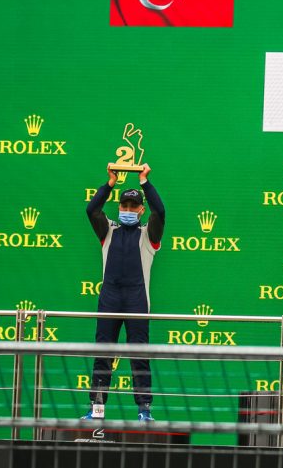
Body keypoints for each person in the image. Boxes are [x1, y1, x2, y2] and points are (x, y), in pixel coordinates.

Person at [81, 163, 165, 421]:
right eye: (124, 206)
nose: (128, 210)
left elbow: (160, 211)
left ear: (141, 210)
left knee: (139, 356)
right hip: (109, 298)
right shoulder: (108, 231)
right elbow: (91, 209)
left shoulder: (148, 235)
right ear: (118, 207)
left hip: (137, 301)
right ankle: (96, 410)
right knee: (103, 354)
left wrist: (144, 182)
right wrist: (110, 183)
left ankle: (144, 410)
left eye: (133, 206)